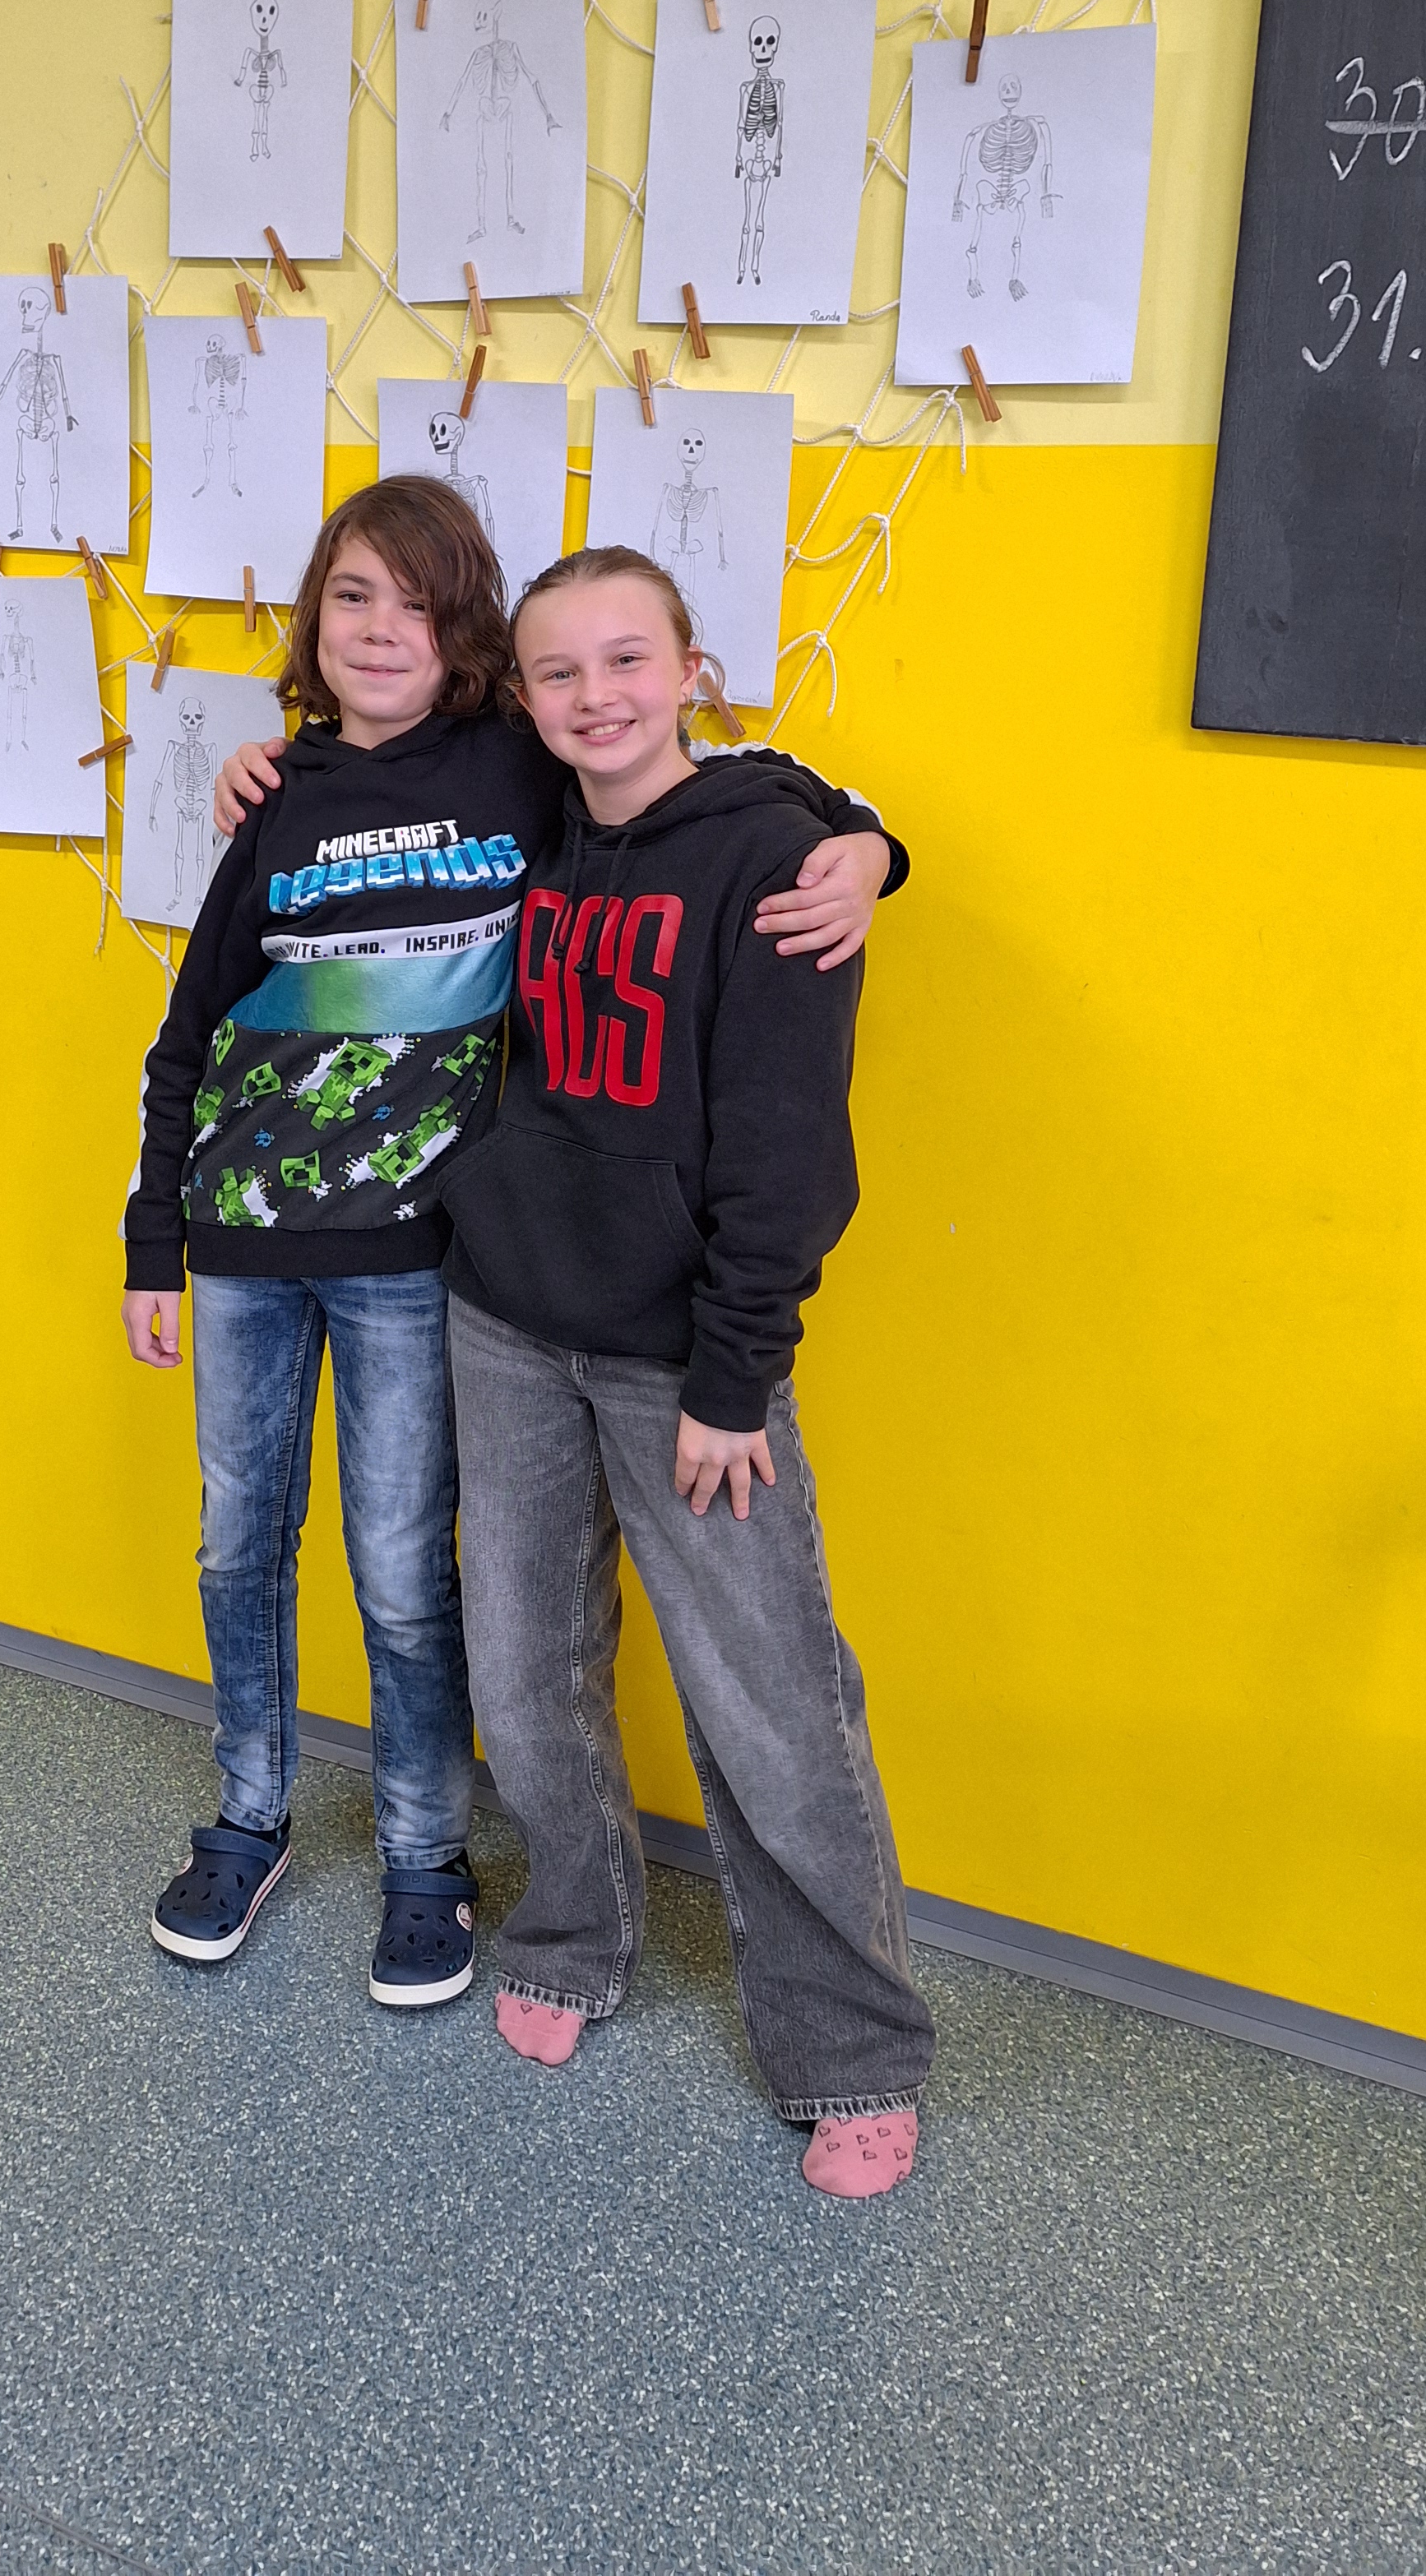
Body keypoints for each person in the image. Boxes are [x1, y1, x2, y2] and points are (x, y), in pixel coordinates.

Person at [126, 479, 897, 2012]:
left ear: (468, 632)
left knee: (415, 1576)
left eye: (418, 604)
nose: (380, 631)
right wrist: (155, 1233)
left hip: (445, 1266)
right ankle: (268, 1824)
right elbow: (190, 1027)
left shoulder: (525, 766)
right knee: (266, 1556)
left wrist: (871, 844)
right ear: (315, 618)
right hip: (303, 1255)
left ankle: (433, 1856)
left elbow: (733, 785)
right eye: (353, 597)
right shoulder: (282, 795)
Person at [432, 543, 931, 2198]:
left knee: (770, 1703)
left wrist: (733, 1375)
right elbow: (378, 770)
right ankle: (572, 1937)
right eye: (559, 672)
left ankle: (852, 2053)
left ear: (693, 671)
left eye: (629, 661)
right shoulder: (531, 813)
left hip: (687, 1361)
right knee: (524, 1668)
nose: (597, 698)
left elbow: (787, 1150)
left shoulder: (777, 857)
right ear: (524, 697)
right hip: (506, 1317)